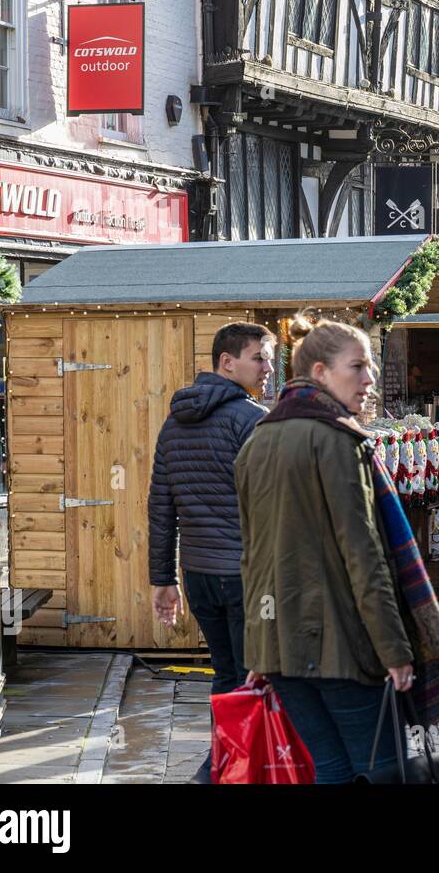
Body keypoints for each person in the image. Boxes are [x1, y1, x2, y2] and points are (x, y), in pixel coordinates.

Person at [236, 315, 439, 783]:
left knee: (330, 770)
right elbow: (365, 558)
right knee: (383, 769)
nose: (369, 379)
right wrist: (394, 649)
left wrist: (257, 649)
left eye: (369, 367)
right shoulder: (338, 441)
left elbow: (252, 557)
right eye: (358, 367)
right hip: (341, 646)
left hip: (279, 647)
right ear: (320, 374)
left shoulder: (258, 441)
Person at [148, 323, 273, 783]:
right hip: (246, 575)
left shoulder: (173, 421)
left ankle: (224, 763)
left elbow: (161, 505)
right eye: (259, 357)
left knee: (227, 677)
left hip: (199, 574)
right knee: (254, 680)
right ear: (227, 362)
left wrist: (163, 580)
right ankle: (228, 768)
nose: (268, 366)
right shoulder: (252, 420)